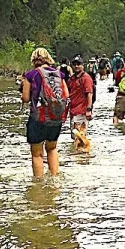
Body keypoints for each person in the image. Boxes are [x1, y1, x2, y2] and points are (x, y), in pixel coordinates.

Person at [21, 48, 70, 178]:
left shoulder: (31, 75)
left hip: (38, 118)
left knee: (37, 153)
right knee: (52, 148)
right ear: (48, 59)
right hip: (56, 117)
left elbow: (25, 98)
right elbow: (66, 94)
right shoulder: (59, 74)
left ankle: (38, 185)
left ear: (33, 60)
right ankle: (54, 179)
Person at [67, 55, 94, 137]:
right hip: (73, 111)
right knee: (75, 137)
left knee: (80, 137)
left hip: (82, 111)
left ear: (82, 65)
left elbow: (89, 93)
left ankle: (83, 150)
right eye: (74, 64)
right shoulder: (71, 79)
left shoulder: (86, 78)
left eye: (78, 64)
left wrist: (89, 110)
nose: (76, 66)